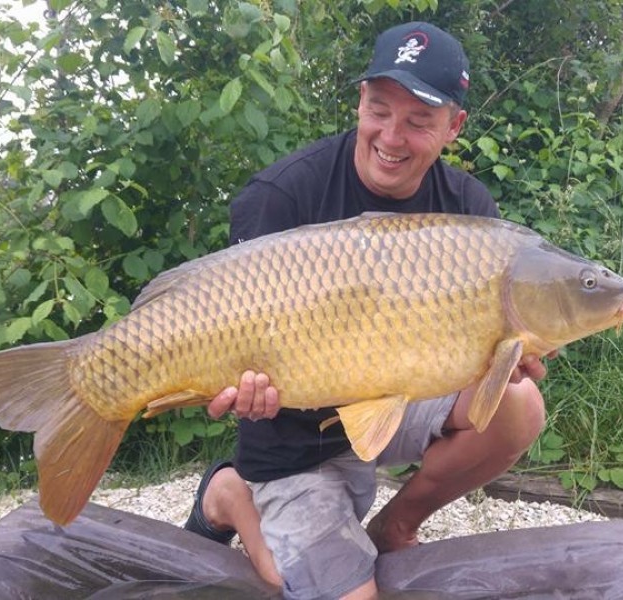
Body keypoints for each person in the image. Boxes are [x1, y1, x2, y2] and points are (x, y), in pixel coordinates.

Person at [185, 22, 549, 599]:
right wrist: (224, 381)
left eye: (419, 121)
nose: (392, 136)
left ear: (454, 126)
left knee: (519, 403)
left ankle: (396, 524)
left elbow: (478, 377)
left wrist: (503, 363)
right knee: (304, 585)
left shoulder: (469, 215)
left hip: (392, 400)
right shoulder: (284, 195)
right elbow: (224, 336)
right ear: (359, 101)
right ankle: (230, 494)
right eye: (379, 110)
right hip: (291, 432)